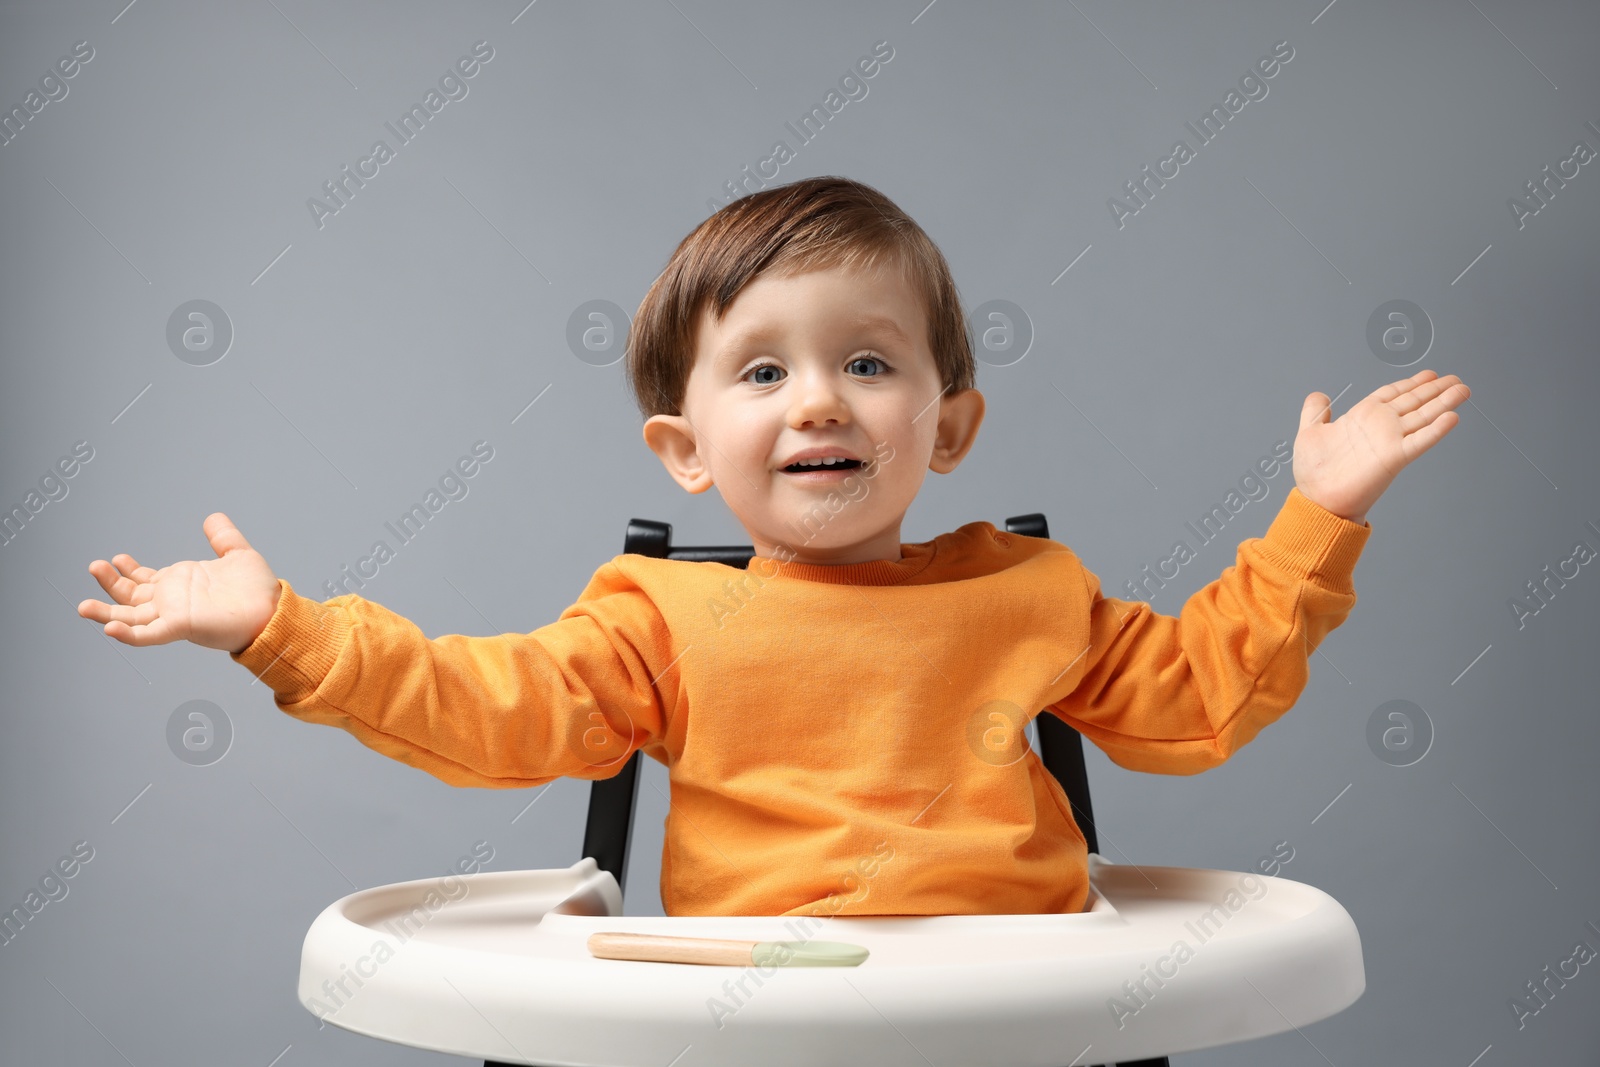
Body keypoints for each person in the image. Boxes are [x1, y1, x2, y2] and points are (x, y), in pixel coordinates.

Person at [76, 176, 1470, 919]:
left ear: (949, 425)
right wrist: (281, 629)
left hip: (1009, 1004)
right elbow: (484, 710)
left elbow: (1197, 703)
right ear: (684, 452)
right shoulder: (659, 619)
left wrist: (1319, 516)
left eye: (868, 361)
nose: (816, 399)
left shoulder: (1029, 592)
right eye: (761, 375)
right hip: (758, 1001)